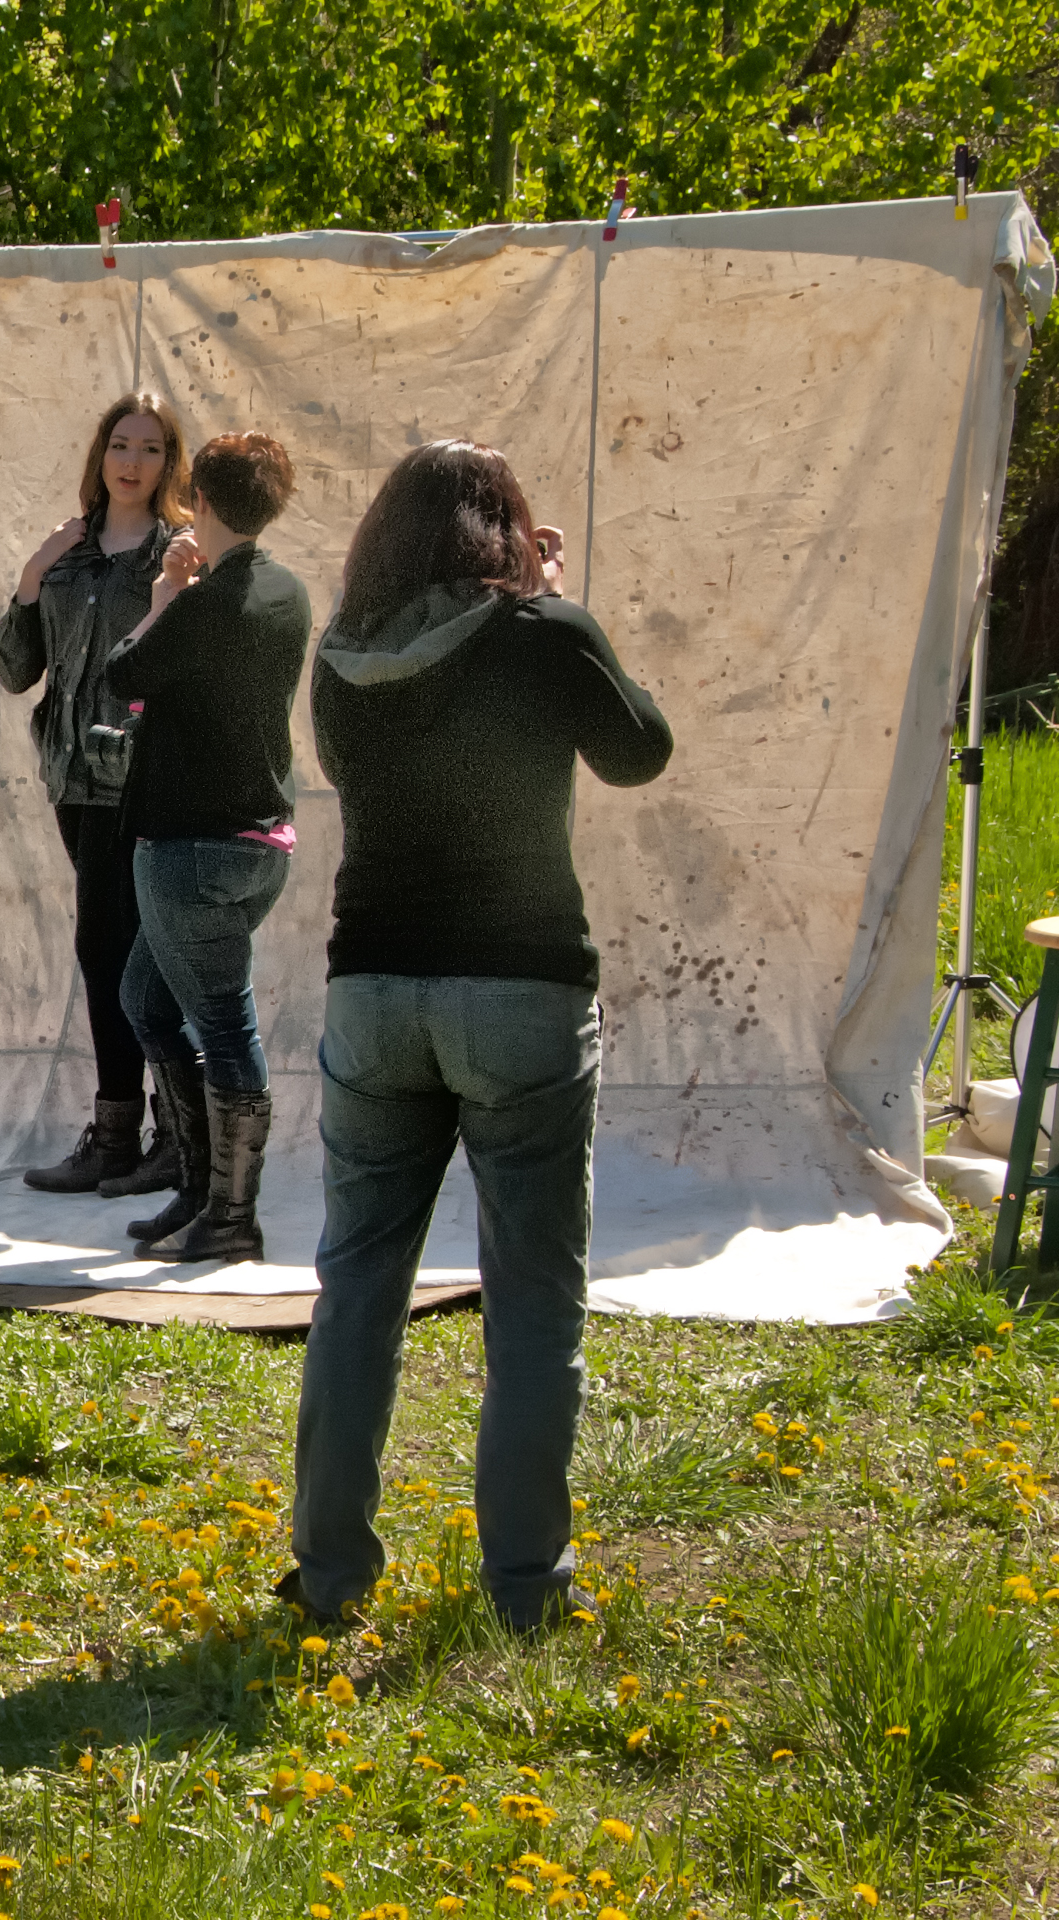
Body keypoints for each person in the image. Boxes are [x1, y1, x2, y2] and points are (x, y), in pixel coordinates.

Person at [280, 440, 672, 1633]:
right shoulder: (543, 635)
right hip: (521, 995)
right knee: (534, 1301)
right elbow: (639, 751)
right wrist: (562, 610)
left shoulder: (342, 662)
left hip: (375, 993)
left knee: (355, 1290)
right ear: (510, 534)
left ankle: (330, 1574)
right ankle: (525, 1590)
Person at [105, 431, 311, 1264]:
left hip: (191, 847)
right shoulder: (287, 592)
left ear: (198, 500)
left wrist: (163, 593)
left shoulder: (202, 605)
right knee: (147, 1002)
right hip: (260, 844)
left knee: (223, 1024)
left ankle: (231, 1218)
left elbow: (123, 674)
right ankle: (199, 1191)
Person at [0, 393, 190, 1196]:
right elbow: (16, 672)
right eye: (120, 444)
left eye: (149, 448)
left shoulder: (176, 555)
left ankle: (151, 1134)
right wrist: (31, 577)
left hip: (142, 783)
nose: (132, 461)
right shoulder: (70, 554)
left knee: (124, 953)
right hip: (73, 782)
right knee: (111, 952)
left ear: (169, 463)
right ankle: (136, 1133)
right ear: (100, 455)